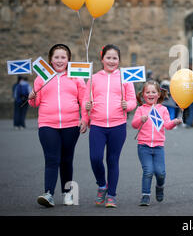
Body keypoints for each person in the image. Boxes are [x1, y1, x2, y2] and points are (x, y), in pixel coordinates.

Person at [28, 44, 87, 207]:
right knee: (52, 159)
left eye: (63, 57)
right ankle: (48, 194)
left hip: (71, 124)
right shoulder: (41, 77)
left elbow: (84, 100)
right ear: (50, 59)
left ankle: (68, 194)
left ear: (68, 60)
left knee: (67, 159)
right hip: (47, 124)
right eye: (56, 57)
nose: (60, 60)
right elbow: (35, 103)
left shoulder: (76, 77)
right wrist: (31, 96)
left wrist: (85, 119)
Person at [82, 44, 137, 208]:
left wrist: (128, 105)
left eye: (115, 58)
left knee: (113, 160)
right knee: (95, 158)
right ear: (102, 59)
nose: (112, 61)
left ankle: (112, 195)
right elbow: (86, 100)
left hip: (118, 126)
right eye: (109, 57)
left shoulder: (125, 77)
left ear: (119, 60)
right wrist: (85, 118)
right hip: (97, 125)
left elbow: (133, 100)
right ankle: (101, 185)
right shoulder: (94, 78)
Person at [132, 81, 182, 206]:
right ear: (143, 95)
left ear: (159, 94)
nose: (150, 94)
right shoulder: (140, 109)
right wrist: (140, 119)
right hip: (143, 146)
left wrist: (175, 122)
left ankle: (160, 186)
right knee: (148, 171)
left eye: (153, 92)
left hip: (159, 146)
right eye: (147, 92)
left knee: (161, 173)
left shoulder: (163, 109)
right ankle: (145, 195)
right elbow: (134, 125)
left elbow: (167, 125)